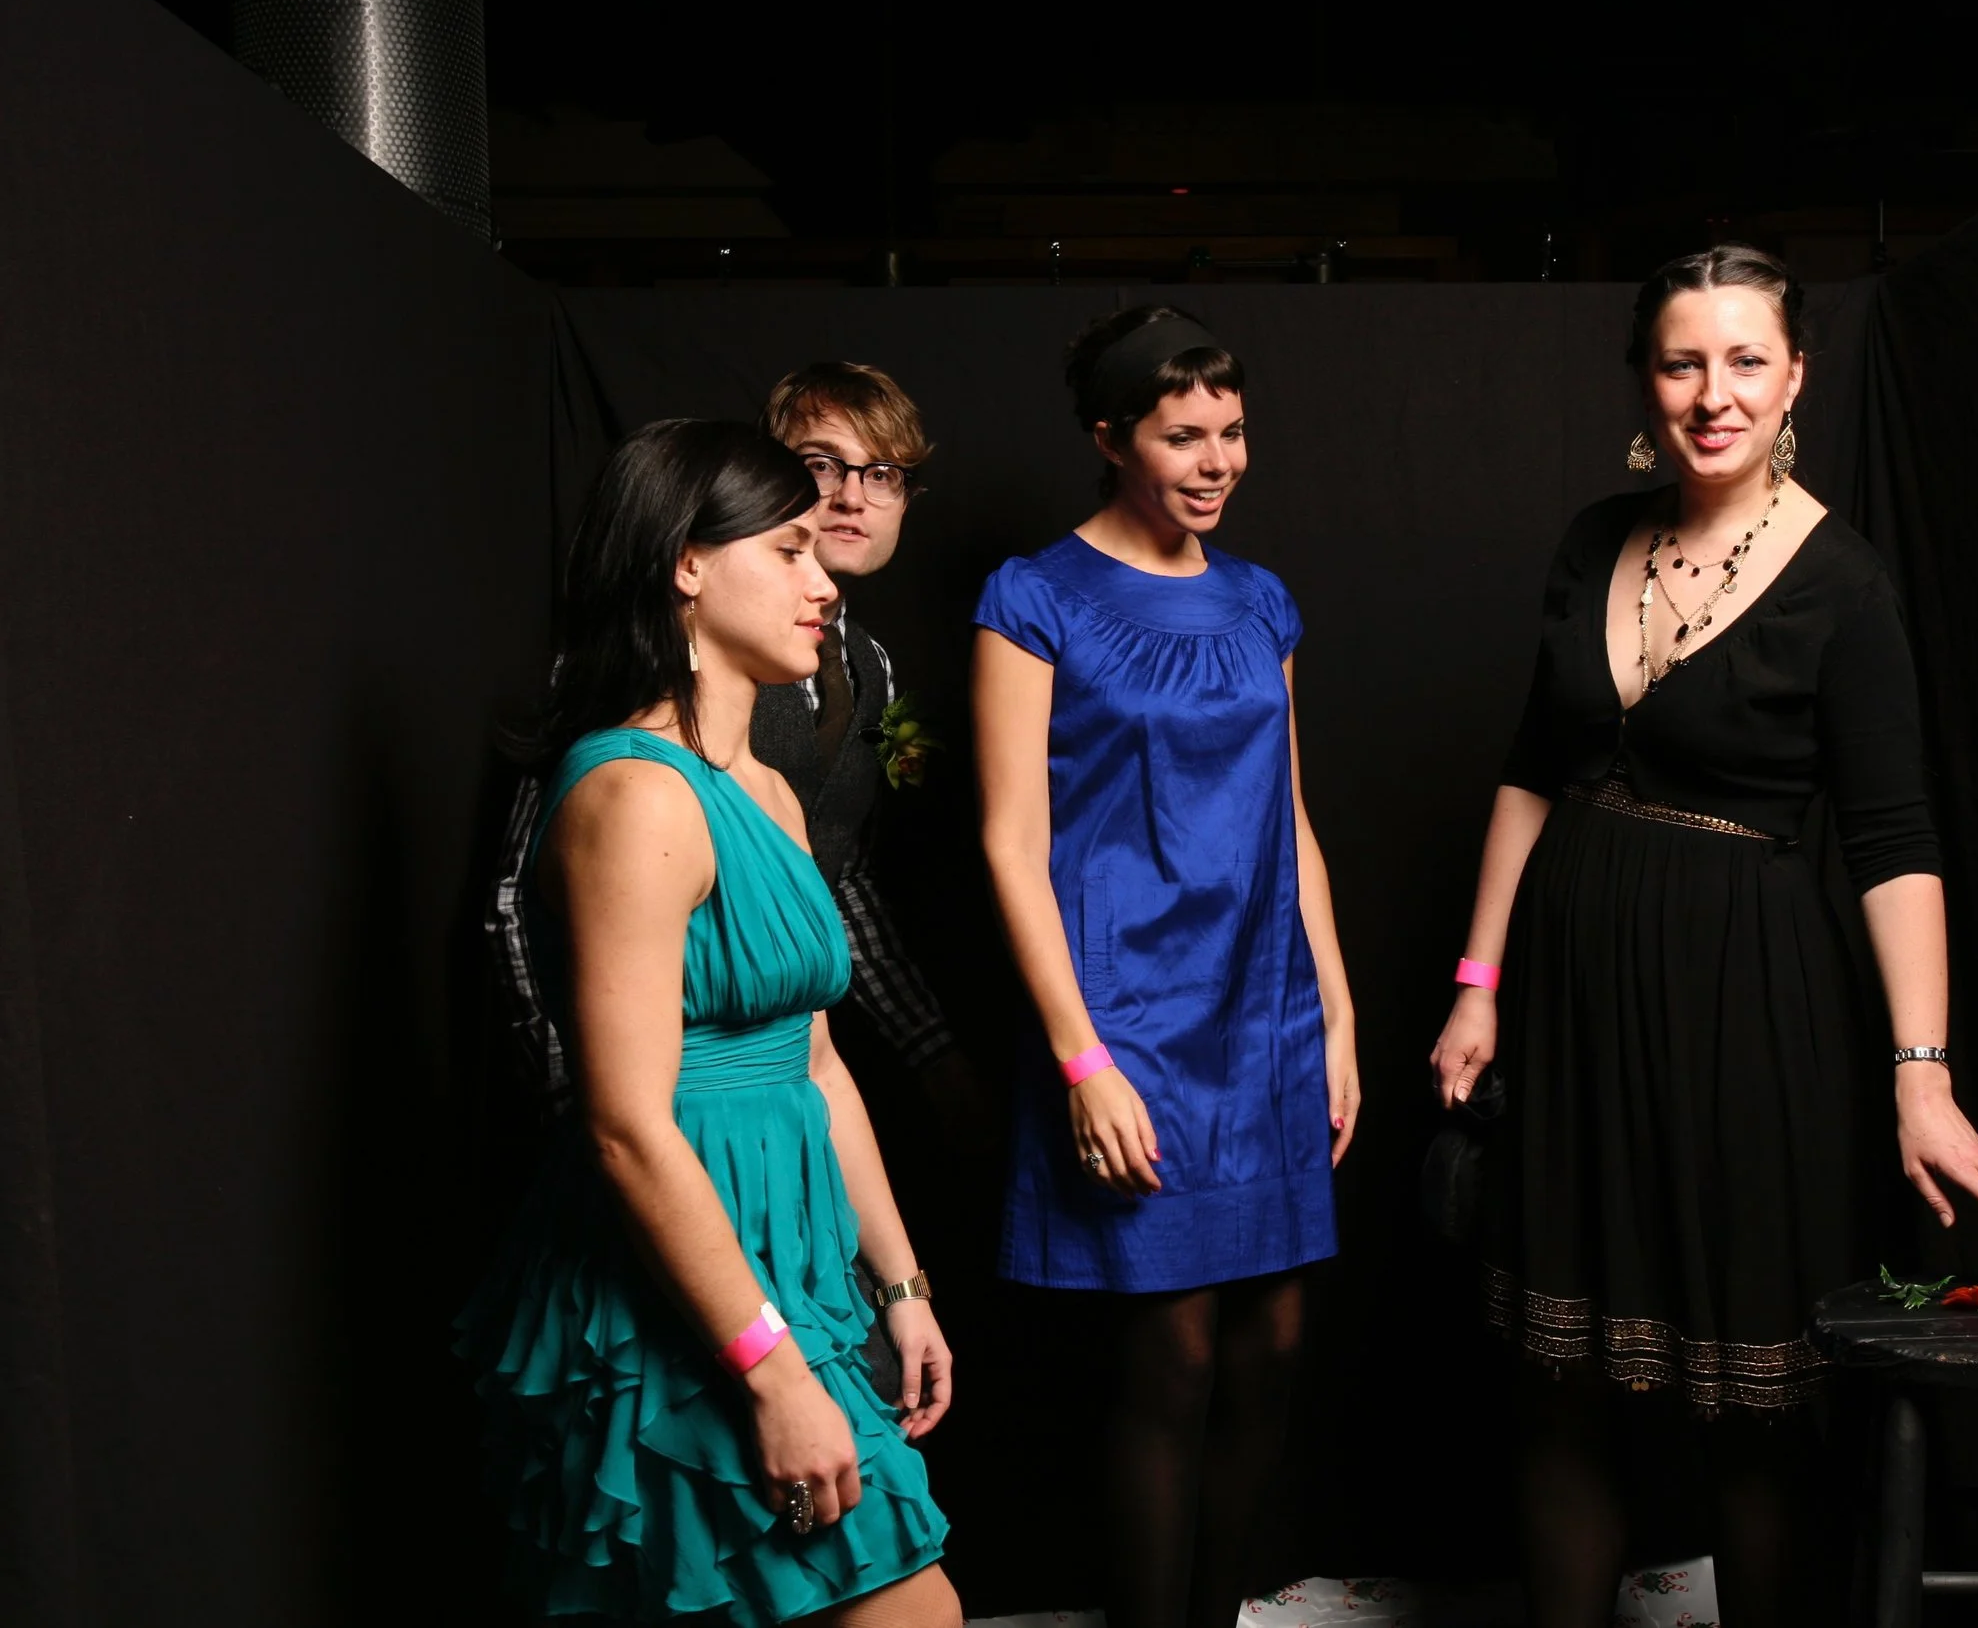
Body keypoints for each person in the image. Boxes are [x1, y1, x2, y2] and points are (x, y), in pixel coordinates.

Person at [1426, 246, 1978, 1628]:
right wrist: (1479, 980)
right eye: (1683, 362)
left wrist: (1922, 1071)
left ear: (1795, 379)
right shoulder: (1595, 538)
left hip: (1746, 1008)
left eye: (1745, 361)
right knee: (1559, 1377)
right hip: (1574, 1001)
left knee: (1751, 1397)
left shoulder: (1846, 585)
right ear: (1646, 382)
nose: (1714, 394)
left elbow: (1894, 842)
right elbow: (1531, 768)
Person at [457, 420, 959, 1628]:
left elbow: (821, 1061)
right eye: (787, 550)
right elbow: (625, 1124)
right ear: (688, 561)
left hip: (795, 1257)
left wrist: (899, 1281)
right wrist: (771, 1373)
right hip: (683, 1275)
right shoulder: (633, 793)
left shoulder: (768, 791)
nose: (821, 582)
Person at [970, 306, 1358, 1628]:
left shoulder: (1261, 601)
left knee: (1274, 1346)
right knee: (1173, 1352)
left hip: (1264, 1009)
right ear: (1109, 436)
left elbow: (1290, 814)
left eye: (1231, 432)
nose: (1216, 461)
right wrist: (1080, 1057)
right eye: (1182, 434)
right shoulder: (1034, 597)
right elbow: (1009, 842)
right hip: (1125, 1012)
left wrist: (1337, 1011)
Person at [492, 363, 974, 1136]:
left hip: (789, 1081)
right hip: (646, 1091)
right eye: (823, 464)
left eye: (882, 473)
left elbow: (837, 876)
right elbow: (517, 899)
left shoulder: (872, 668)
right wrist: (571, 1106)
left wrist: (933, 1054)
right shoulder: (642, 657)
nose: (852, 496)